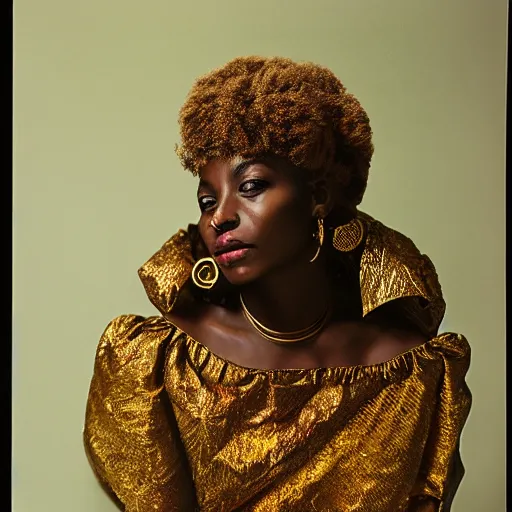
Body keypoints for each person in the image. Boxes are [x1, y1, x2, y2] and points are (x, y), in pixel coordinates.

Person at [83, 56, 472, 512]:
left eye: (251, 186)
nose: (219, 217)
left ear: (319, 197)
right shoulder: (160, 364)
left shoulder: (410, 374)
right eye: (208, 200)